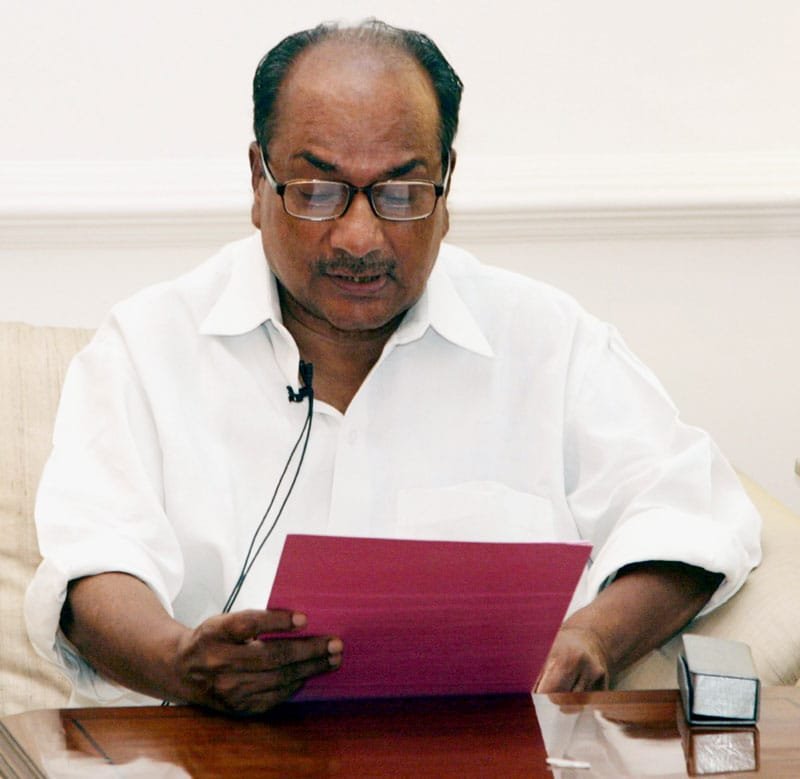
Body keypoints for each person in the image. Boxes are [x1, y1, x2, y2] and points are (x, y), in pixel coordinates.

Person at [26, 20, 760, 714]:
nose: (358, 236)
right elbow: (93, 567)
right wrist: (180, 661)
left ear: (447, 187)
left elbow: (690, 515)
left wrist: (594, 636)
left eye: (401, 193)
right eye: (317, 191)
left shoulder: (546, 341)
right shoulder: (148, 345)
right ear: (258, 181)